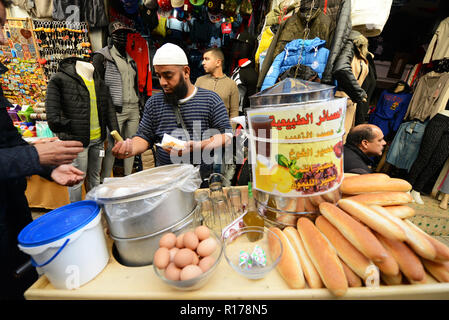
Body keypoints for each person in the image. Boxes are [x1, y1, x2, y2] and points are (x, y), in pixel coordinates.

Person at [0, 0, 85, 301]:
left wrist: (48, 168)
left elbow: (8, 141)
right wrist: (36, 156)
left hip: (13, 220)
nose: (3, 38)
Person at [111, 43, 232, 186]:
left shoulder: (211, 100)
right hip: (166, 183)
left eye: (168, 76)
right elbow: (144, 137)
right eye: (159, 76)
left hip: (202, 182)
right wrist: (130, 148)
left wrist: (199, 145)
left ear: (186, 72)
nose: (162, 82)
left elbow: (227, 136)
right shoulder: (154, 103)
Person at [46, 57, 120, 203]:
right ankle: (77, 213)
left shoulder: (99, 81)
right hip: (77, 142)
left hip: (98, 140)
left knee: (95, 177)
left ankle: (95, 208)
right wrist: (71, 130)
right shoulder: (59, 79)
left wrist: (116, 134)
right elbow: (52, 116)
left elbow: (109, 110)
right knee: (76, 179)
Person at [93, 21, 141, 181]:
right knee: (113, 147)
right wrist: (104, 110)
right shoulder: (102, 57)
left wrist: (140, 101)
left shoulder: (130, 59)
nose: (122, 38)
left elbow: (134, 84)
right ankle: (105, 180)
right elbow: (98, 87)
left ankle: (128, 178)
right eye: (118, 34)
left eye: (125, 35)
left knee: (131, 145)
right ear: (111, 36)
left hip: (133, 108)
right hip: (115, 109)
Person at [195, 47, 239, 120]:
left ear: (218, 62)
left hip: (222, 129)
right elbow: (194, 109)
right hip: (202, 130)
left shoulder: (231, 84)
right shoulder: (199, 81)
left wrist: (229, 131)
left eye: (207, 59)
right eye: (203, 59)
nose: (203, 62)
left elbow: (234, 112)